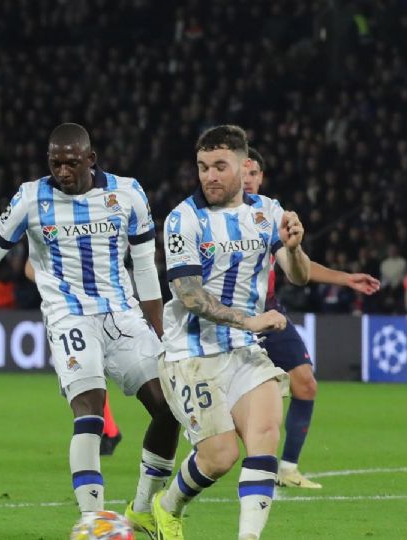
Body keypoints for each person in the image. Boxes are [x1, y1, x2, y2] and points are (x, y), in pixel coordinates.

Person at [0, 123, 179, 537]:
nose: (62, 170)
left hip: (123, 315)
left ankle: (145, 506)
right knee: (90, 412)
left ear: (90, 160)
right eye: (55, 162)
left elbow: (146, 267)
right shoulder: (30, 197)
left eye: (71, 162)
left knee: (169, 408)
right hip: (69, 317)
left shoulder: (127, 193)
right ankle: (93, 521)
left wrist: (163, 330)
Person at [152, 125, 312, 540]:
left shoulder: (267, 212)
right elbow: (189, 295)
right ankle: (166, 506)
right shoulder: (182, 220)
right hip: (190, 353)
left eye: (220, 166)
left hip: (242, 349)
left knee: (263, 435)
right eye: (203, 167)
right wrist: (250, 320)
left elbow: (299, 277)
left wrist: (293, 250)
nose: (210, 176)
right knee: (220, 457)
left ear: (245, 167)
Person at [243, 148, 380, 488]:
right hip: (230, 318)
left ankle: (287, 468)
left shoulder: (271, 212)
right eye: (242, 171)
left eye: (254, 173)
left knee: (305, 382)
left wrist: (346, 278)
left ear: (261, 178)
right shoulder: (208, 215)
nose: (248, 179)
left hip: (269, 310)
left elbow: (297, 266)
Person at [24, 260, 122, 455]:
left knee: (84, 372)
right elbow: (29, 270)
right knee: (85, 372)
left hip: (92, 306)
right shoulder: (49, 235)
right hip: (69, 307)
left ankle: (106, 430)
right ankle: (107, 430)